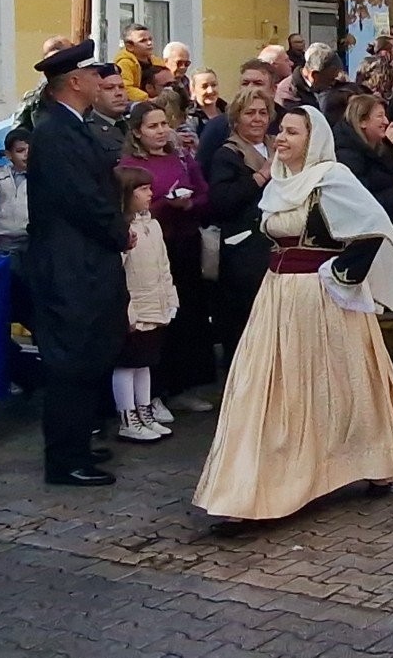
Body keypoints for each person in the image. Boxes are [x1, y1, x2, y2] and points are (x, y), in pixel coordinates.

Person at [192, 106, 393, 522]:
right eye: (281, 131)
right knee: (265, 389)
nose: (282, 138)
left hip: (322, 298)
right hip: (276, 297)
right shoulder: (280, 181)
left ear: (313, 139)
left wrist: (343, 274)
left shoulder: (332, 177)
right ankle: (256, 488)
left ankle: (369, 461)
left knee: (342, 385)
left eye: (293, 132)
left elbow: (374, 228)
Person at [26, 41, 130, 487]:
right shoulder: (54, 132)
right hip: (69, 267)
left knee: (89, 355)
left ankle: (79, 445)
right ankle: (65, 457)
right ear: (73, 82)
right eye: (91, 74)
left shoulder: (74, 127)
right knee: (70, 360)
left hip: (86, 264)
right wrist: (118, 229)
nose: (98, 80)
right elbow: (82, 199)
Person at [120, 99, 213, 413]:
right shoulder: (129, 164)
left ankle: (182, 387)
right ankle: (153, 394)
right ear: (137, 131)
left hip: (184, 244)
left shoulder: (182, 157)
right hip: (148, 247)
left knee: (185, 316)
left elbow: (203, 192)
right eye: (153, 126)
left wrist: (189, 204)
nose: (161, 131)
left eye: (164, 124)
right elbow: (127, 204)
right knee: (152, 323)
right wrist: (163, 204)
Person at [202, 87, 276, 380]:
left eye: (262, 112)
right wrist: (261, 176)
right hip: (243, 249)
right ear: (236, 119)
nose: (257, 119)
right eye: (250, 113)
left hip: (273, 245)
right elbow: (222, 201)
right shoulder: (228, 155)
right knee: (243, 320)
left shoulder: (276, 146)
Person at [111, 165, 177, 443]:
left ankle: (145, 410)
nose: (151, 194)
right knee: (127, 363)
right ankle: (127, 417)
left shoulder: (153, 225)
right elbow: (119, 272)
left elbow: (163, 264)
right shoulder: (122, 230)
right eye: (144, 189)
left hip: (155, 303)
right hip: (133, 307)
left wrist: (170, 296)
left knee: (145, 362)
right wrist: (128, 310)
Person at [112, 23, 156, 103]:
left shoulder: (155, 61)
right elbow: (126, 88)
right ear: (130, 46)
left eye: (150, 39)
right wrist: (148, 99)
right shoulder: (124, 63)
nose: (149, 43)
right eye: (143, 41)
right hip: (133, 105)